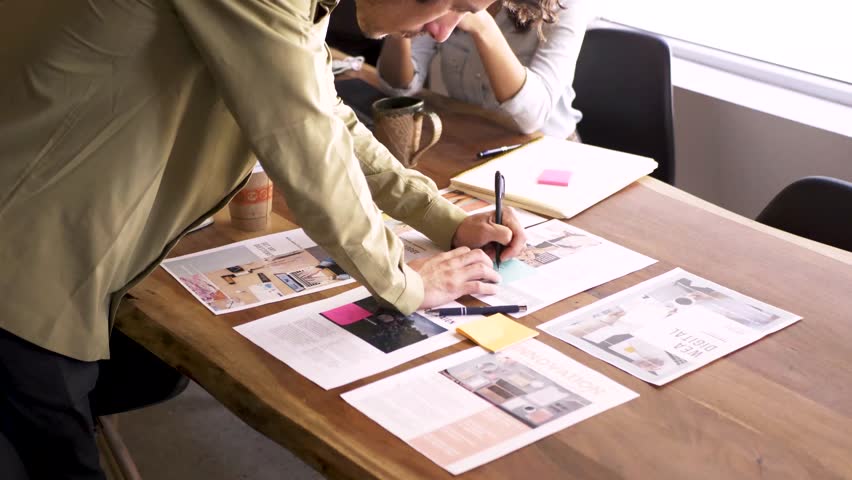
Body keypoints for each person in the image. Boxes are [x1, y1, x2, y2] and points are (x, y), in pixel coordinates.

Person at [0, 0, 542, 478]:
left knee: (136, 381)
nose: (445, 31)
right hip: (24, 265)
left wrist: (444, 218)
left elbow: (327, 116)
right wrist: (404, 281)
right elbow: (303, 141)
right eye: (450, 2)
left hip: (57, 251)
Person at [377, 0, 596, 138]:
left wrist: (481, 25)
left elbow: (533, 117)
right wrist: (402, 20)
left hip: (544, 150)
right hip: (472, 139)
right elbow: (399, 89)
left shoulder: (569, 5)